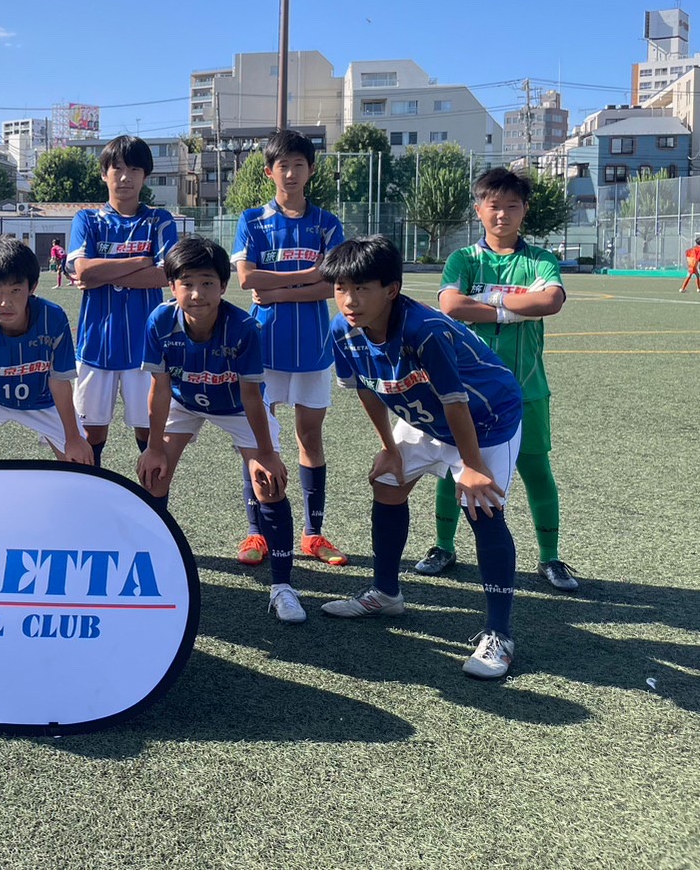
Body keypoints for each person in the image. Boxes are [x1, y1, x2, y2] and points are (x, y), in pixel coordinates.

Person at [318, 236, 523, 680]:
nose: (349, 300)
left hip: (486, 420)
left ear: (391, 289)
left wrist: (471, 467)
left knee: (483, 508)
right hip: (425, 414)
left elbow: (456, 401)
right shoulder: (342, 329)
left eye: (362, 288)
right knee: (387, 483)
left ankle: (499, 635)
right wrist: (390, 449)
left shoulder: (423, 330)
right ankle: (386, 594)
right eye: (341, 288)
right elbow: (367, 390)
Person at [419, 168, 577, 591]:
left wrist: (487, 301)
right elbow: (452, 305)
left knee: (537, 470)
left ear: (525, 210)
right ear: (479, 210)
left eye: (512, 206)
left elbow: (551, 300)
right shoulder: (464, 260)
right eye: (494, 206)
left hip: (527, 389)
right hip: (468, 391)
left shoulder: (540, 260)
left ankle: (550, 557)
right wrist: (514, 307)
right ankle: (443, 546)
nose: (502, 214)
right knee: (454, 469)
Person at [137, 239, 297, 620]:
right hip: (184, 401)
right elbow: (160, 389)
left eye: (207, 283)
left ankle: (283, 586)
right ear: (172, 286)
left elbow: (252, 396)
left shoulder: (244, 328)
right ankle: (154, 569)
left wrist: (266, 454)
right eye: (187, 283)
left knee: (269, 484)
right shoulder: (159, 321)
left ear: (223, 286)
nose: (197, 294)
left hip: (236, 406)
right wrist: (154, 446)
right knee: (154, 477)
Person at [231, 129, 349, 570]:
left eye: (299, 164)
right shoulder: (252, 220)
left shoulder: (327, 223)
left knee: (309, 437)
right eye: (283, 165)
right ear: (269, 171)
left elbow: (334, 284)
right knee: (258, 439)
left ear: (311, 170)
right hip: (264, 347)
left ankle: (313, 534)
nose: (291, 172)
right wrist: (305, 278)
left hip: (313, 349)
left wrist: (277, 290)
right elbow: (247, 279)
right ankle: (257, 531)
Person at [64, 135, 178, 475]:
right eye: (117, 169)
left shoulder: (160, 220)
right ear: (104, 174)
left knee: (149, 434)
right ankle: (90, 498)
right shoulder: (87, 220)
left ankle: (151, 503)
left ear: (146, 176)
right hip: (95, 345)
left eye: (134, 169)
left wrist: (104, 272)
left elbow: (165, 276)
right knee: (92, 434)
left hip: (145, 349)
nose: (125, 177)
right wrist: (140, 261)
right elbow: (82, 270)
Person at [0, 239, 92, 464]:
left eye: (15, 290)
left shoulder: (53, 318)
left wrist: (73, 437)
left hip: (43, 398)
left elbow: (59, 383)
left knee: (79, 460)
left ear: (32, 287)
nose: (5, 302)